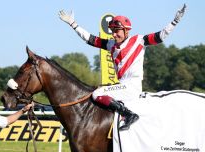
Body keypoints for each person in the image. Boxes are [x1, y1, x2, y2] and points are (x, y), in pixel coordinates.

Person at [59, 4, 187, 130]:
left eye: (117, 31)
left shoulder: (139, 40)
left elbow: (160, 36)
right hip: (122, 84)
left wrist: (175, 21)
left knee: (97, 94)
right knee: (99, 89)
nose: (114, 35)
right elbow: (91, 39)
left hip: (132, 86)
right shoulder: (110, 44)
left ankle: (129, 115)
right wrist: (73, 24)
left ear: (126, 31)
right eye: (113, 32)